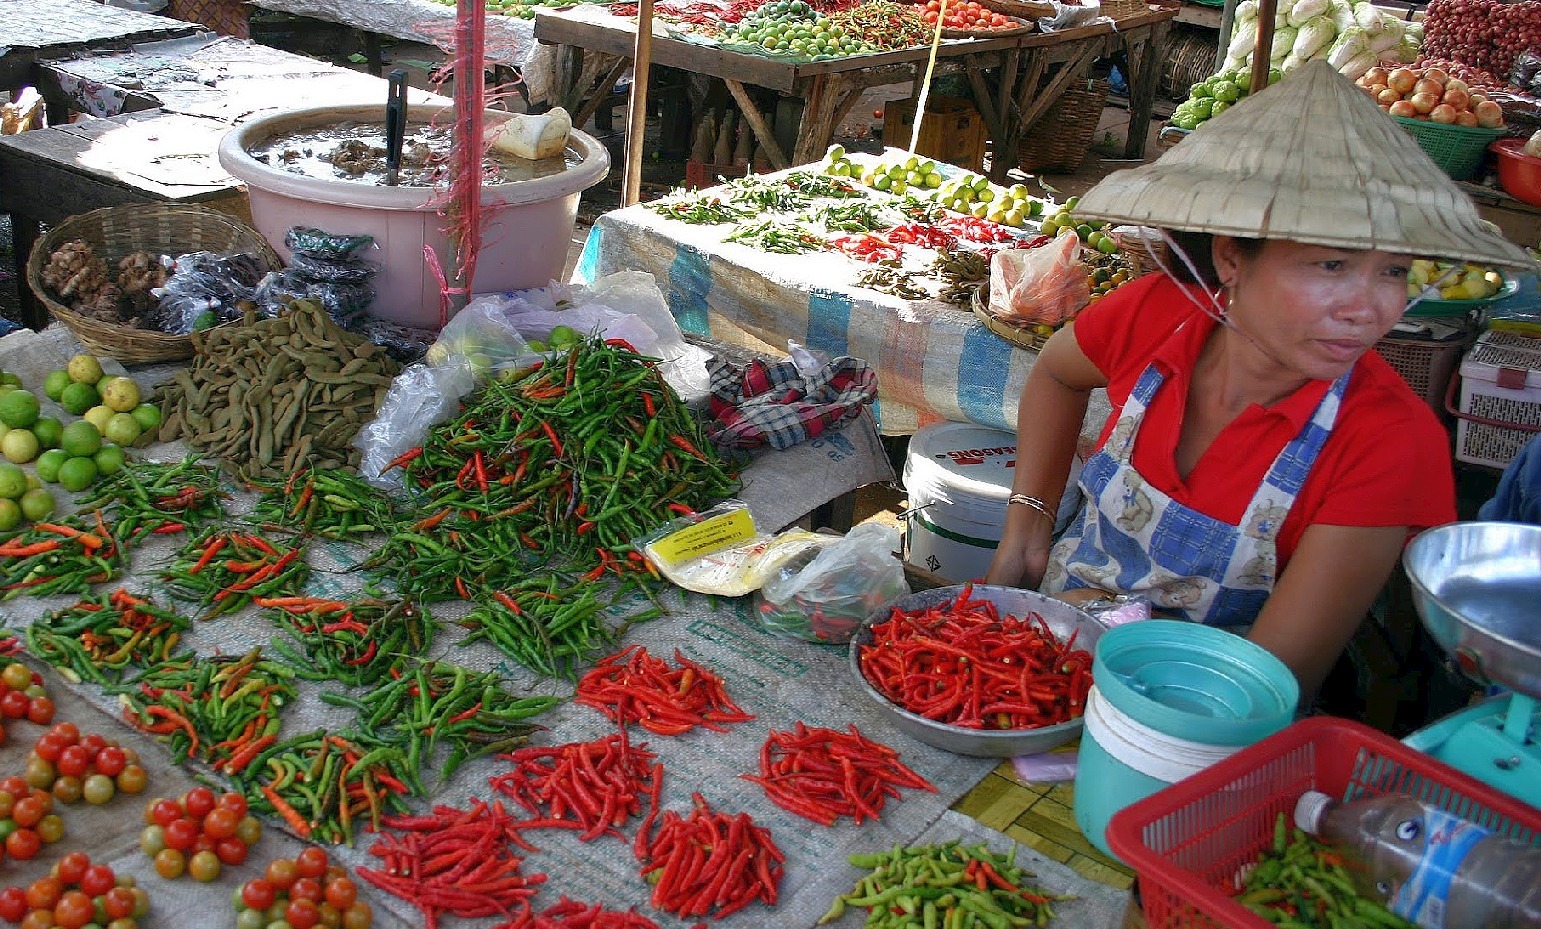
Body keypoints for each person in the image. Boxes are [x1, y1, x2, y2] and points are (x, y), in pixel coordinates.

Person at [984, 60, 1533, 700]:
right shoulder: (1159, 312)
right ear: (1230, 258)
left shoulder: (1388, 440)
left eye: (1394, 272)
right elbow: (1056, 373)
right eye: (1331, 265)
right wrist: (1027, 524)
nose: (1371, 308)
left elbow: (1264, 683)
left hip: (1200, 713)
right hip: (1039, 653)